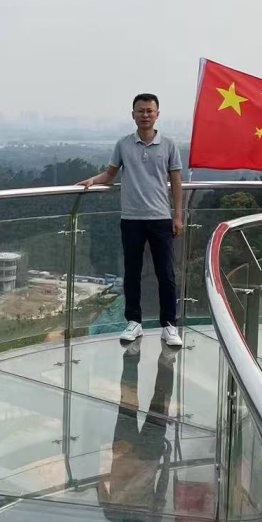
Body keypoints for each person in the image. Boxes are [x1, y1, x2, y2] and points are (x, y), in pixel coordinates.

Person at [78, 93, 183, 347]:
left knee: (166, 274)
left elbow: (177, 181)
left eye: (149, 111)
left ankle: (169, 325)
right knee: (132, 273)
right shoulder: (123, 144)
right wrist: (93, 180)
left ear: (157, 114)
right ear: (133, 114)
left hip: (160, 218)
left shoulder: (169, 145)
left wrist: (178, 216)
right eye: (140, 111)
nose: (145, 115)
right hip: (132, 218)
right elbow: (110, 174)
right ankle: (134, 322)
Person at [97, 343, 177, 522]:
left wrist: (166, 459)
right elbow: (99, 481)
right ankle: (134, 355)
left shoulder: (151, 519)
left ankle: (165, 359)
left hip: (146, 455)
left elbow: (162, 485)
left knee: (158, 401)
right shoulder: (111, 515)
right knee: (129, 401)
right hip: (127, 453)